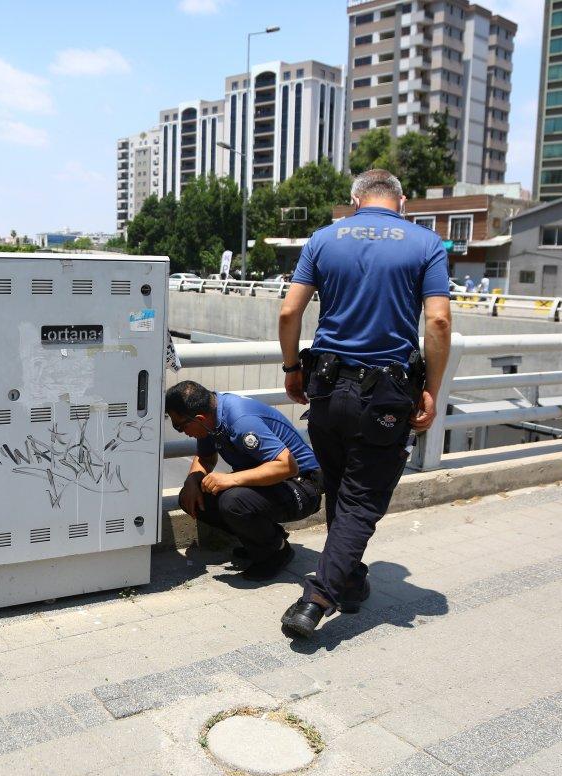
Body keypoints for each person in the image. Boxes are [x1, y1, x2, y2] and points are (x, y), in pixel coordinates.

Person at [276, 169, 452, 638]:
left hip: (326, 387)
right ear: (403, 200)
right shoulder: (425, 244)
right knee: (361, 501)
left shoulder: (323, 239)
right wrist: (431, 388)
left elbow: (289, 310)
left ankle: (350, 582)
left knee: (341, 491)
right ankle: (318, 598)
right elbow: (437, 322)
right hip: (386, 395)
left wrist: (293, 369)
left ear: (355, 200)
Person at [166, 381, 323, 581]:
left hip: (302, 486)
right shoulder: (210, 418)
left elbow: (287, 466)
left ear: (199, 418)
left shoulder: (241, 421)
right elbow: (205, 458)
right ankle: (266, 539)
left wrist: (230, 479)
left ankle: (276, 552)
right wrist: (191, 482)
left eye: (179, 426)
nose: (182, 432)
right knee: (193, 498)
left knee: (233, 501)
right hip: (271, 484)